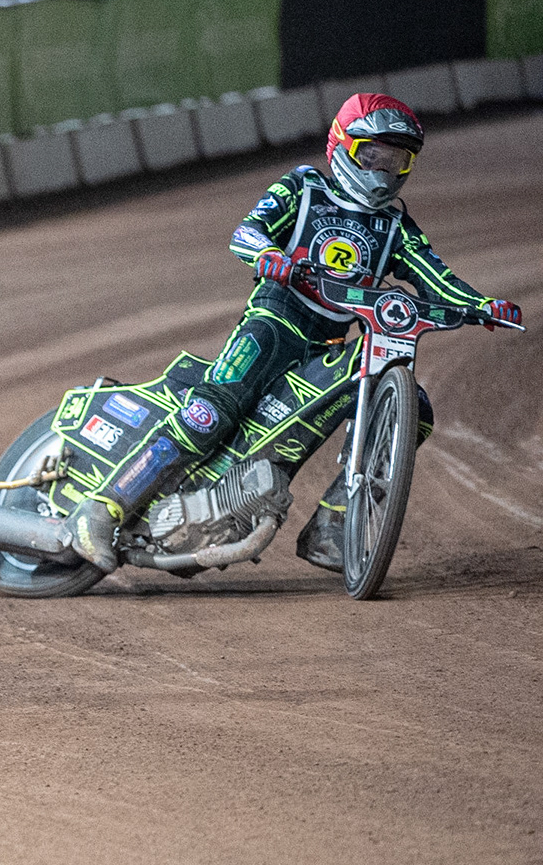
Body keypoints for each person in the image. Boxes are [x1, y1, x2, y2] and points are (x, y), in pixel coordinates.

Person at [61, 93, 522, 574]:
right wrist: (268, 255)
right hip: (273, 321)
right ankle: (101, 509)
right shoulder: (303, 188)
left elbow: (435, 277)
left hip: (327, 343)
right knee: (210, 413)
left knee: (417, 411)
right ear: (341, 145)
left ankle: (332, 526)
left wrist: (481, 305)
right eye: (372, 156)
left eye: (396, 161)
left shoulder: (395, 226)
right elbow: (247, 231)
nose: (383, 172)